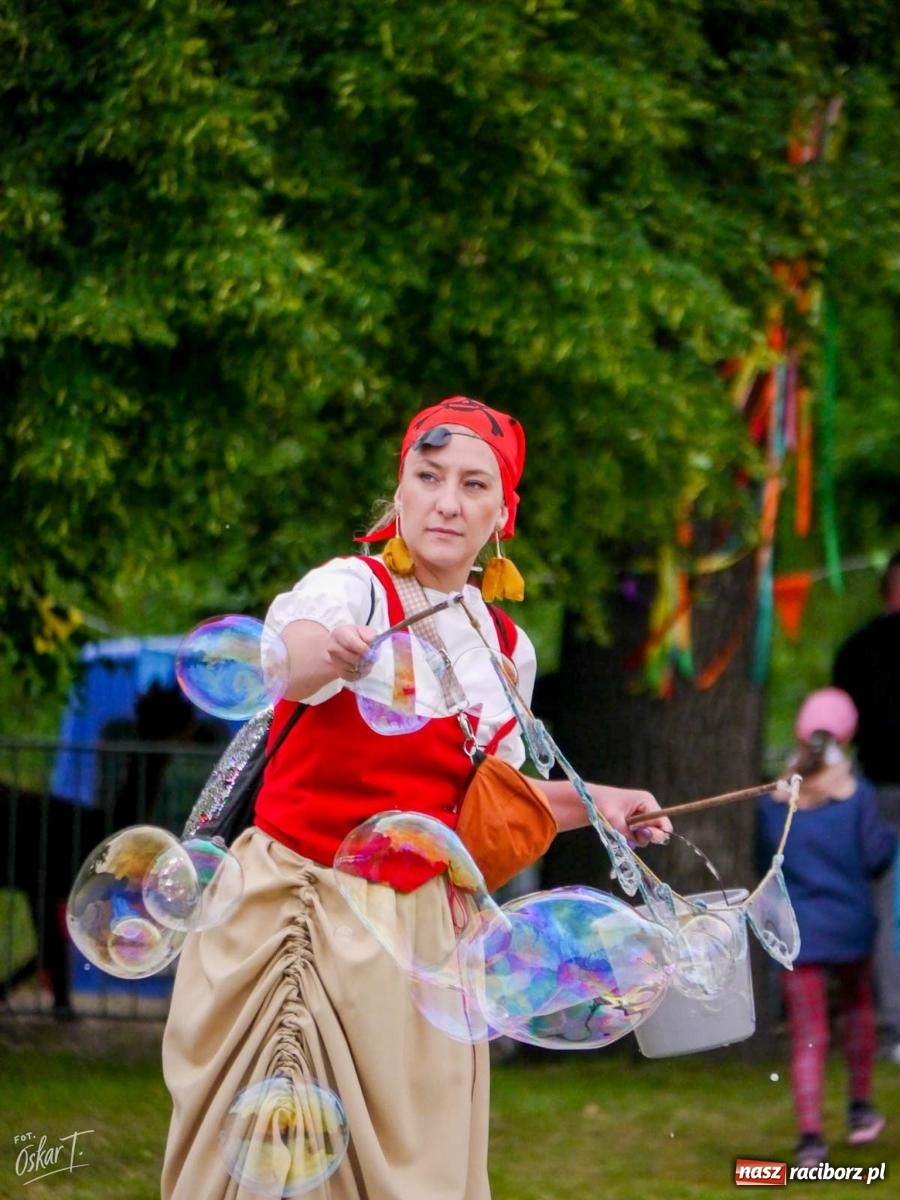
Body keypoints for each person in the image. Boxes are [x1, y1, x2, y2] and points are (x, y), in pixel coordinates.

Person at [161, 396, 670, 1200]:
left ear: (502, 511)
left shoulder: (508, 649)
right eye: (427, 477)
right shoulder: (351, 588)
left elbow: (483, 800)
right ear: (399, 491)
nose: (446, 501)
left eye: (473, 485)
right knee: (276, 1163)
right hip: (301, 911)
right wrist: (326, 653)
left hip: (423, 938)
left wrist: (598, 803)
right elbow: (285, 662)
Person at [758, 687, 897, 1170]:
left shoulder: (776, 800)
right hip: (852, 924)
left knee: (808, 1033)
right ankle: (860, 1111)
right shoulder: (855, 795)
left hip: (799, 931)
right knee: (859, 1009)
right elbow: (877, 855)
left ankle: (810, 1142)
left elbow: (766, 865)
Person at [833, 550, 900, 1062]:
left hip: (875, 788)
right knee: (886, 910)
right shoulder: (860, 650)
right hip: (878, 793)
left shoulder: (855, 648)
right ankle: (893, 1023)